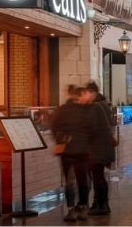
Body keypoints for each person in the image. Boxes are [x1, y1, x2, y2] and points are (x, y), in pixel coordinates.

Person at [51, 85, 92, 223]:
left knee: (69, 181)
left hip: (67, 151)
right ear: (79, 95)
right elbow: (91, 129)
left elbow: (54, 127)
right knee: (83, 180)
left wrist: (60, 140)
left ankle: (71, 210)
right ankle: (83, 208)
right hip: (83, 151)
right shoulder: (86, 111)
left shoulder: (61, 110)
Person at [79, 83, 115, 217]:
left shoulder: (95, 107)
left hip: (97, 148)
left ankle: (102, 204)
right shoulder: (103, 105)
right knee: (99, 176)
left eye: (84, 94)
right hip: (103, 147)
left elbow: (91, 128)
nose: (82, 97)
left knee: (98, 177)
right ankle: (101, 203)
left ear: (91, 92)